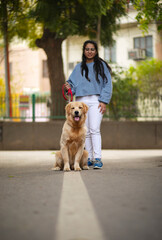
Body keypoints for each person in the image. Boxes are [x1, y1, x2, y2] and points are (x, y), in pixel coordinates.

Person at [65, 40, 112, 169]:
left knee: (95, 129)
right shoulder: (78, 67)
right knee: (86, 131)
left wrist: (103, 101)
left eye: (92, 49)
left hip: (97, 100)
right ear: (84, 51)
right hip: (81, 101)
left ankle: (97, 158)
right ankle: (89, 158)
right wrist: (68, 87)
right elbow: (71, 85)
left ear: (96, 51)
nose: (89, 52)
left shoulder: (101, 66)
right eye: (87, 49)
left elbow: (108, 84)